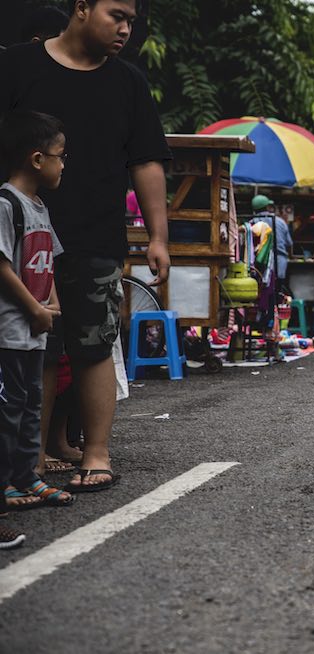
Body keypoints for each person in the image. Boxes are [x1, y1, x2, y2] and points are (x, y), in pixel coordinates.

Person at [1, 0, 172, 493]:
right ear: (81, 8)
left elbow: (147, 161)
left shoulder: (129, 83)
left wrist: (157, 237)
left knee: (95, 344)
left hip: (96, 235)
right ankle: (28, 457)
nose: (125, 29)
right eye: (116, 16)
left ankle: (96, 451)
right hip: (19, 235)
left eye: (131, 22)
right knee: (38, 348)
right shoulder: (16, 65)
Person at [0, 110, 74, 527]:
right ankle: (8, 480)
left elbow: (47, 262)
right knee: (10, 406)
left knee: (31, 403)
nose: (64, 164)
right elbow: (2, 265)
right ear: (36, 159)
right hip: (12, 327)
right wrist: (34, 308)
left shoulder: (40, 207)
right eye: (60, 155)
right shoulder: (6, 203)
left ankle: (28, 475)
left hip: (37, 326)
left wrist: (53, 306)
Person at [251, 195, 292, 284]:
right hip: (279, 263)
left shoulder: (252, 223)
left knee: (261, 290)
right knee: (279, 289)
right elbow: (289, 244)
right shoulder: (280, 222)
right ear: (267, 207)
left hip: (260, 263)